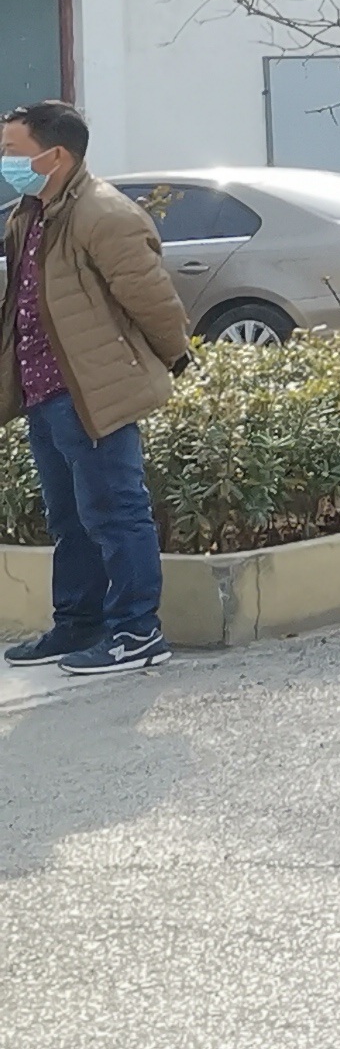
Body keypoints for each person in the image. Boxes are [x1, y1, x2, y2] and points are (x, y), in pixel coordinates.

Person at [0, 101, 190, 676]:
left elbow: (150, 296)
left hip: (92, 389)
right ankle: (78, 623)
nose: (5, 161)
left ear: (54, 155)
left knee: (115, 511)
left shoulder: (102, 213)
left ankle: (137, 632)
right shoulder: (29, 214)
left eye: (12, 150)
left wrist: (173, 354)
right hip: (43, 392)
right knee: (69, 518)